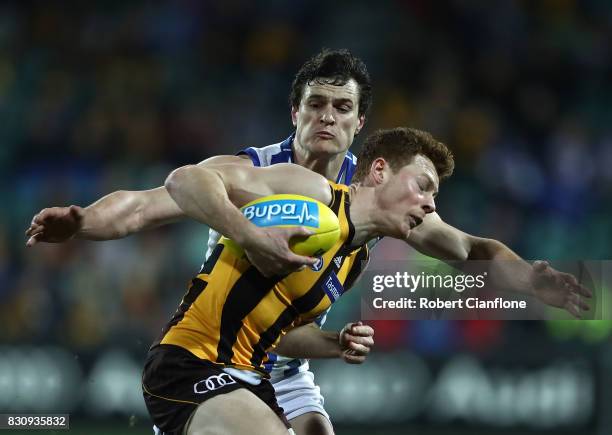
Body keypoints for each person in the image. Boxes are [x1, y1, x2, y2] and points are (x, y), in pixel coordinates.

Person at [24, 49, 590, 434]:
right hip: (206, 347)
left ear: (359, 124)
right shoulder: (268, 173)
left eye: (341, 108)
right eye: (315, 104)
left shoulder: (381, 205)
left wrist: (537, 279)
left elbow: (475, 250)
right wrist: (85, 223)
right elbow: (156, 198)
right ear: (294, 110)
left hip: (277, 355)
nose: (326, 117)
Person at [146, 126, 454, 434]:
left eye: (434, 195)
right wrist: (250, 236)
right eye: (423, 186)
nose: (431, 204)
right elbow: (184, 179)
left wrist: (337, 342)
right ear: (379, 170)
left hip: (251, 376)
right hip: (192, 362)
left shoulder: (356, 260)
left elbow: (282, 333)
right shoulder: (314, 195)